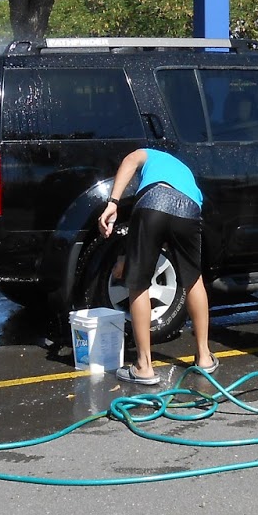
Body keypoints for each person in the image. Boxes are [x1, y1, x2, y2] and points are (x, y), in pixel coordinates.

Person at [97, 148, 216, 387]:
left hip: (153, 201)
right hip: (190, 207)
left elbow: (130, 160)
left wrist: (113, 203)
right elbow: (166, 232)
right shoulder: (185, 172)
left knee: (138, 283)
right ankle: (204, 356)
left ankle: (144, 366)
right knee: (194, 280)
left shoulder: (148, 154)